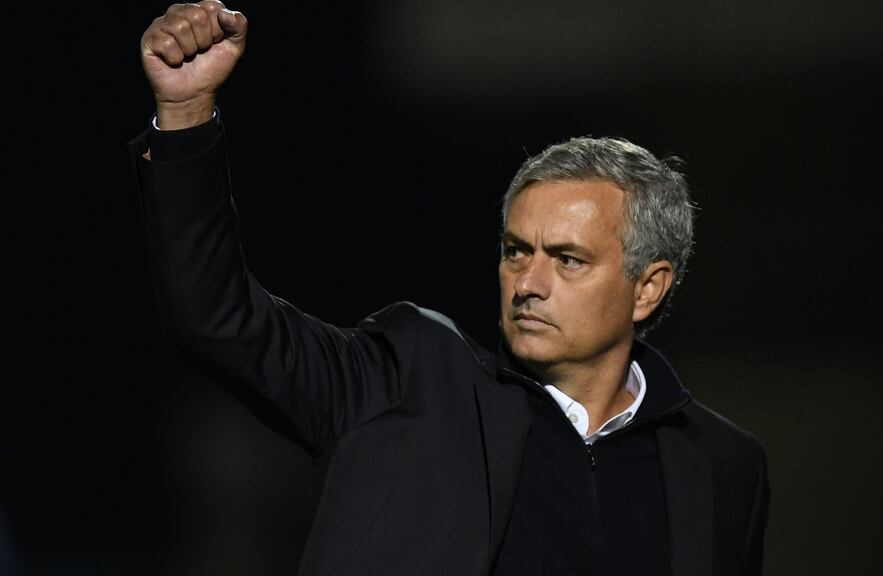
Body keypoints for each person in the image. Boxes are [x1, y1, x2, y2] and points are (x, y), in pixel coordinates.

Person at [130, 2, 769, 574]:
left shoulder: (721, 467)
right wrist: (186, 117)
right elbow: (217, 318)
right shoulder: (409, 384)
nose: (529, 283)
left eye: (568, 260)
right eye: (517, 251)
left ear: (647, 289)